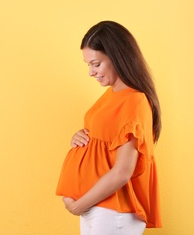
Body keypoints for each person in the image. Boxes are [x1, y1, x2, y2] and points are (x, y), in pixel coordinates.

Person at [56, 21, 162, 235]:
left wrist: (78, 204)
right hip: (99, 207)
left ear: (116, 57)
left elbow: (123, 171)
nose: (91, 72)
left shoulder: (134, 101)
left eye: (96, 64)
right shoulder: (112, 95)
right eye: (88, 65)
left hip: (114, 211)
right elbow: (104, 143)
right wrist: (80, 138)